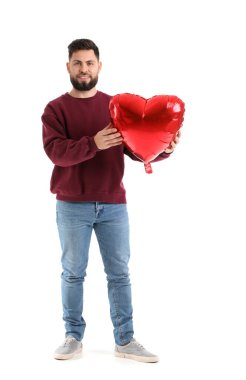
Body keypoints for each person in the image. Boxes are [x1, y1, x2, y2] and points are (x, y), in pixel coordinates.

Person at [42, 38, 180, 363]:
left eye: (90, 63)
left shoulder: (115, 107)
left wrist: (165, 149)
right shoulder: (55, 110)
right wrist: (94, 142)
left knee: (119, 274)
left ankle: (125, 340)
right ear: (68, 67)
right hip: (71, 204)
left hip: (113, 205)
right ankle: (73, 337)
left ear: (99, 66)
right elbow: (56, 153)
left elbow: (135, 149)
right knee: (73, 273)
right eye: (78, 63)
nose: (84, 69)